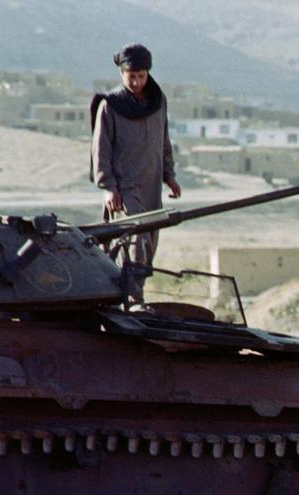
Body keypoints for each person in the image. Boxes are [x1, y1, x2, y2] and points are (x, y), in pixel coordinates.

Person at [91, 43, 181, 302]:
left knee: (149, 243)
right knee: (133, 241)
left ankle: (133, 296)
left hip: (151, 184)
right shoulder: (111, 106)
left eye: (142, 76)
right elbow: (101, 150)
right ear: (122, 74)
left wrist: (169, 176)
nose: (137, 82)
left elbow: (164, 141)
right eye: (132, 77)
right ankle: (131, 302)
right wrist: (108, 187)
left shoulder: (158, 101)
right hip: (125, 188)